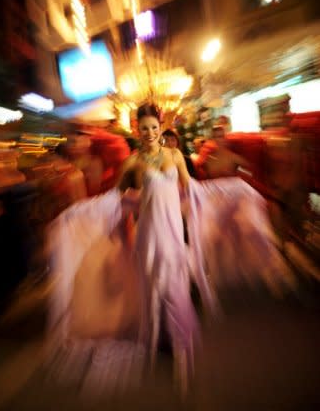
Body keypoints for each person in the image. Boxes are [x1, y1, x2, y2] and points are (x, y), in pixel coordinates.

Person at [47, 102, 295, 397]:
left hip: (173, 233)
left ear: (160, 126)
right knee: (156, 285)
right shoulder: (132, 164)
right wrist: (79, 214)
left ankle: (178, 341)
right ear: (137, 130)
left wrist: (232, 191)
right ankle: (161, 336)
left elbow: (192, 189)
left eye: (154, 127)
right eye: (144, 128)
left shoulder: (175, 156)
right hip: (149, 236)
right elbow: (114, 200)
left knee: (175, 284)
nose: (150, 133)